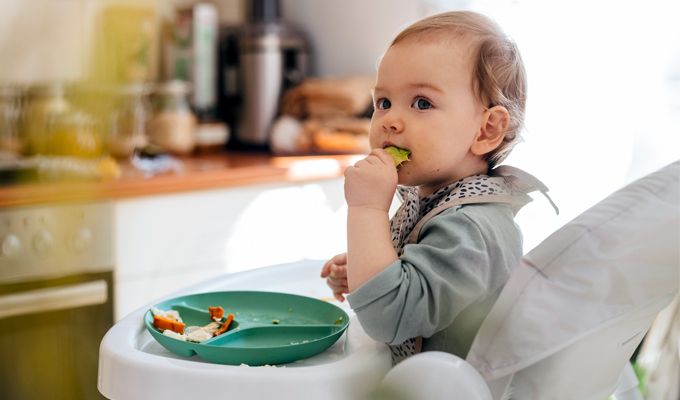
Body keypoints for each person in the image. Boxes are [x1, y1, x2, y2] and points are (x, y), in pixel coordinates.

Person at [320, 10, 557, 364]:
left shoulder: (472, 229)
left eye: (422, 103)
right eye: (383, 103)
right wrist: (367, 269)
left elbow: (389, 318)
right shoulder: (438, 200)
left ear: (486, 130)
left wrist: (366, 209)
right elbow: (422, 293)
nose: (390, 122)